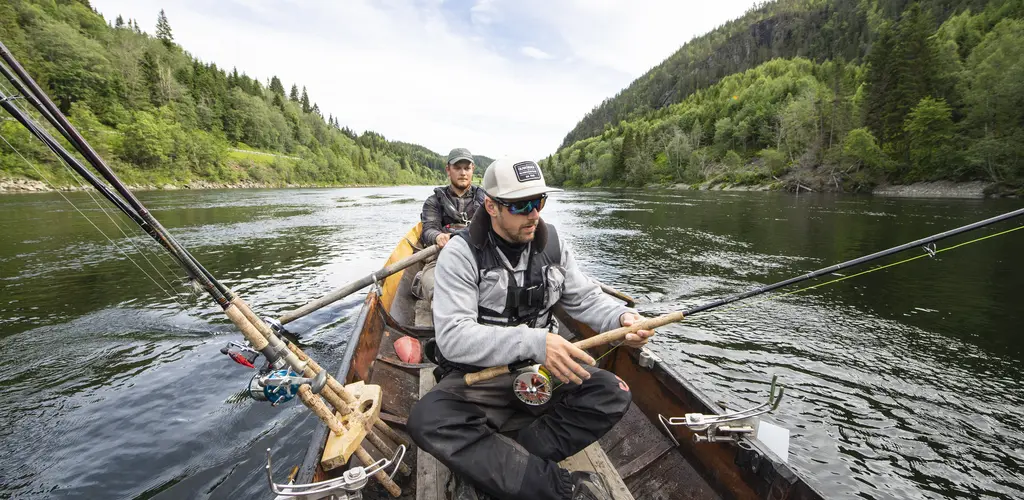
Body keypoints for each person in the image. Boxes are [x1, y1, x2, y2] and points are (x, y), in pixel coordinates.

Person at [408, 156, 654, 500]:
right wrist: (536, 341)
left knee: (613, 392)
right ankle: (558, 487)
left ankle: (500, 462)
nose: (534, 214)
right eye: (521, 205)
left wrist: (620, 319)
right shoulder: (460, 255)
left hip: (541, 371)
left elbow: (584, 298)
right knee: (427, 420)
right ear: (491, 206)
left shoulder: (553, 244)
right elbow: (453, 338)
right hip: (480, 378)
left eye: (538, 201)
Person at [414, 147, 485, 307]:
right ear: (448, 169)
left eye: (467, 168)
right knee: (438, 292)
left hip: (479, 258)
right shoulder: (433, 202)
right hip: (440, 257)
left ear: (472, 169)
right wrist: (438, 237)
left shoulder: (486, 201)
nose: (463, 173)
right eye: (457, 168)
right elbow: (428, 230)